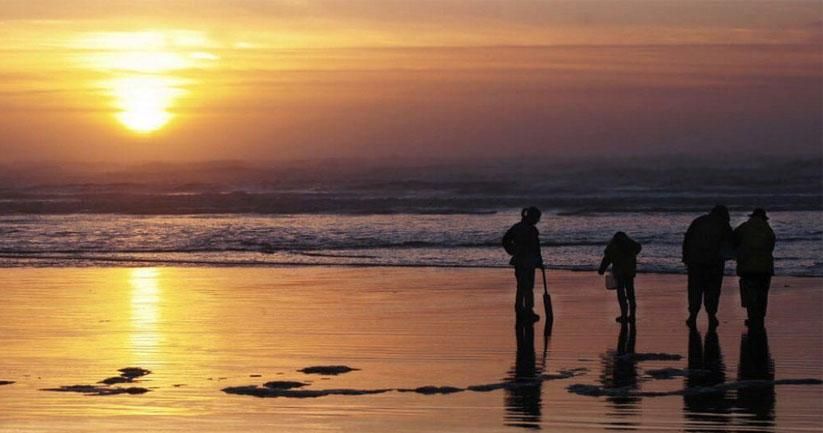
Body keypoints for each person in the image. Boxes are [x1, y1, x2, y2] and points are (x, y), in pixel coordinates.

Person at [682, 205, 734, 328]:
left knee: (695, 290)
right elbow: (732, 241)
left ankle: (693, 316)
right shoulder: (723, 224)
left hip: (695, 262)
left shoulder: (698, 221)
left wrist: (685, 257)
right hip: (714, 263)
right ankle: (711, 315)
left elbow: (687, 239)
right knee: (713, 290)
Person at [734, 208, 775, 328]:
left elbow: (733, 240)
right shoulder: (767, 229)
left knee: (750, 294)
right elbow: (771, 246)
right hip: (765, 268)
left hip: (747, 267)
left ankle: (752, 317)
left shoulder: (744, 227)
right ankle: (760, 317)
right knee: (762, 294)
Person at [503, 207, 544, 322]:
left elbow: (505, 240)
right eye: (537, 218)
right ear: (531, 217)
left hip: (524, 261)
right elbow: (536, 248)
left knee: (522, 287)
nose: (538, 221)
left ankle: (520, 309)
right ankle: (527, 310)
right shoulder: (530, 230)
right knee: (527, 287)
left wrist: (512, 250)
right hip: (525, 262)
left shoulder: (519, 227)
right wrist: (539, 261)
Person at [598, 232, 642, 323]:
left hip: (619, 273)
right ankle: (632, 316)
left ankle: (624, 315)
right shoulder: (631, 245)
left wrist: (601, 270)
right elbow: (638, 247)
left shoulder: (612, 247)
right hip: (629, 272)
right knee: (631, 295)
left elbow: (606, 259)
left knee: (621, 294)